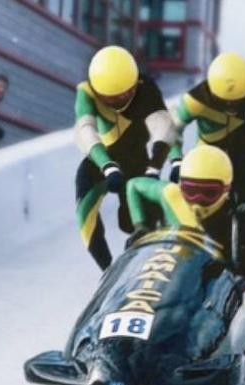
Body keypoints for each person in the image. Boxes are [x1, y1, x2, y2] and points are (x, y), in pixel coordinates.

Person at [167, 52, 245, 249]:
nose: (231, 106)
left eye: (238, 100)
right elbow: (172, 130)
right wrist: (176, 161)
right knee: (200, 198)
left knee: (243, 192)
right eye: (225, 100)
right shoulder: (195, 99)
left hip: (241, 149)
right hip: (207, 154)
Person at [74, 45, 176, 271]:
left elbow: (164, 126)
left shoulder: (146, 87)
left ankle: (155, 259)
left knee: (137, 220)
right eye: (109, 99)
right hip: (102, 159)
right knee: (84, 211)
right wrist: (106, 165)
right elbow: (85, 130)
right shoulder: (86, 91)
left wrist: (156, 166)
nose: (117, 103)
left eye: (124, 96)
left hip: (135, 159)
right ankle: (107, 270)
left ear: (134, 85)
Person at [126, 145, 245, 274]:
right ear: (181, 186)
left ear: (226, 191)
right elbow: (133, 185)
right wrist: (141, 226)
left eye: (208, 193)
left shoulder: (232, 218)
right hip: (164, 264)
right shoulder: (172, 193)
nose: (197, 201)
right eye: (190, 191)